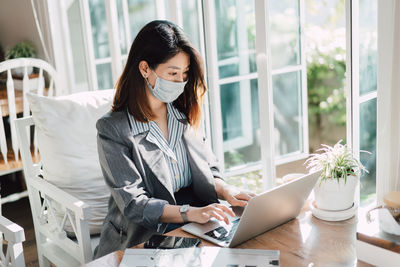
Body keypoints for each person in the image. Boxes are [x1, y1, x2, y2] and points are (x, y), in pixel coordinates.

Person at [94, 20, 255, 259]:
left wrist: (227, 190)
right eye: (172, 73)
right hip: (142, 237)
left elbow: (208, 169)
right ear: (145, 69)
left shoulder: (183, 113)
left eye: (185, 74)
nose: (180, 82)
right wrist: (189, 213)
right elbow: (134, 204)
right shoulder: (113, 129)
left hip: (195, 227)